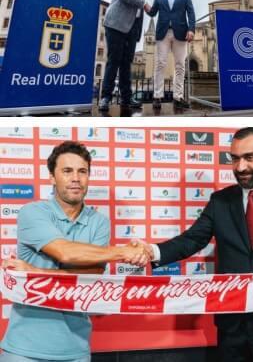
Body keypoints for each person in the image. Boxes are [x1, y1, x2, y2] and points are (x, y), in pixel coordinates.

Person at [133, 127, 253, 361]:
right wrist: (153, 251)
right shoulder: (220, 201)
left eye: (249, 157)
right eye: (235, 158)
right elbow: (193, 239)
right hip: (232, 324)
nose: (240, 167)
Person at [0, 141, 150, 362]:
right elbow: (64, 253)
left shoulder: (99, 222)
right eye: (67, 171)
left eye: (83, 171)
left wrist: (34, 272)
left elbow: (89, 279)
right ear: (52, 177)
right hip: (24, 349)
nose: (76, 179)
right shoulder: (32, 212)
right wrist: (122, 252)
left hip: (76, 350)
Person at [99, 0, 151, 113]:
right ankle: (106, 97)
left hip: (132, 29)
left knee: (126, 64)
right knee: (113, 61)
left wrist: (137, 32)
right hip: (116, 24)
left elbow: (139, 13)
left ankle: (126, 97)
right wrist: (144, 3)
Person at [146, 0, 196, 110]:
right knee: (160, 64)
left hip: (181, 33)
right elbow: (152, 12)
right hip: (163, 34)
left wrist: (191, 29)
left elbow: (191, 13)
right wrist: (144, 4)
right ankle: (157, 96)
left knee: (180, 65)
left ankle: (178, 97)